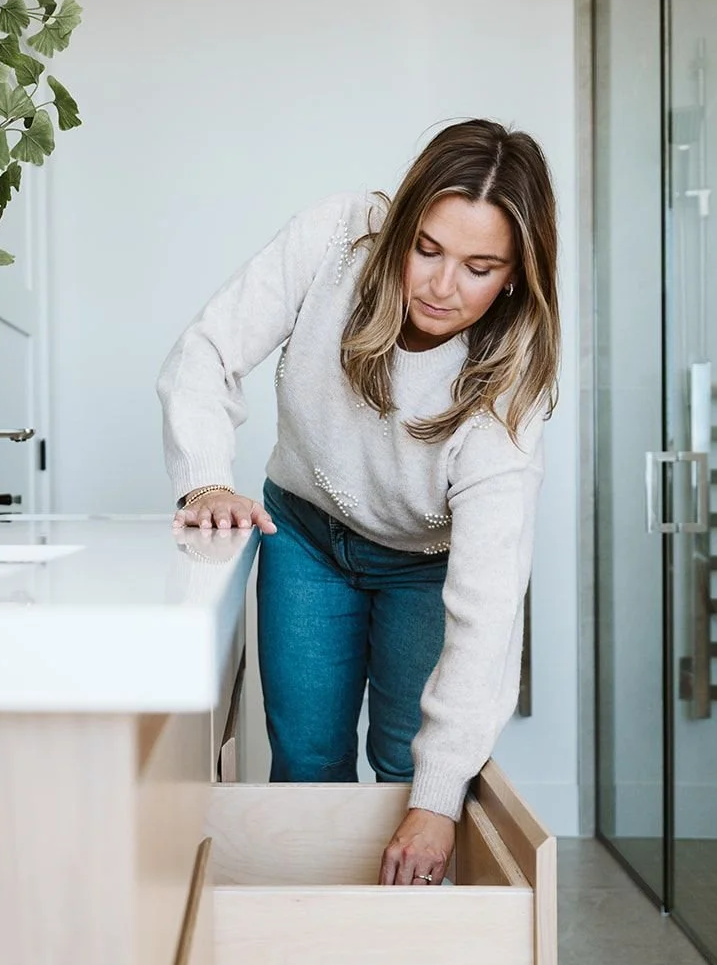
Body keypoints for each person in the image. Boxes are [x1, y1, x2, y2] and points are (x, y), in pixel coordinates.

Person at [157, 118, 559, 887]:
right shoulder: (336, 239)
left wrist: (438, 804)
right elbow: (206, 350)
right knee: (307, 760)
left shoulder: (508, 393)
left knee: (412, 772)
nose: (442, 287)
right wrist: (205, 477)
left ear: (513, 275)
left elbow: (488, 601)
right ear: (399, 228)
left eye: (479, 267)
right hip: (305, 538)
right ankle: (304, 956)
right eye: (427, 250)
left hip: (423, 569)